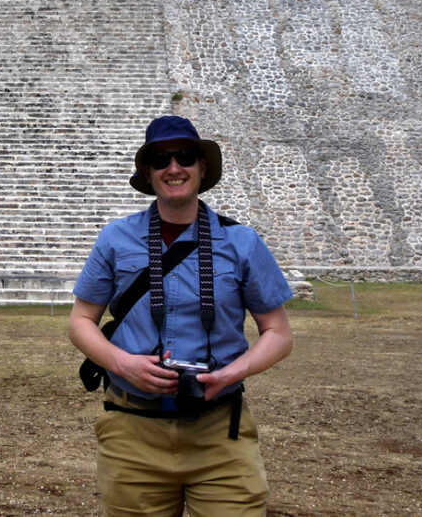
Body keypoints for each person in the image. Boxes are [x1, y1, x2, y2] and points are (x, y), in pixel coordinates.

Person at [69, 115, 293, 517]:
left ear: (202, 167)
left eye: (185, 156)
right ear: (148, 173)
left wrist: (231, 373)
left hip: (219, 431)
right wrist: (122, 363)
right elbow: (80, 322)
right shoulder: (116, 238)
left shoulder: (241, 242)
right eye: (160, 160)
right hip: (132, 429)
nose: (174, 168)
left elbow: (278, 332)